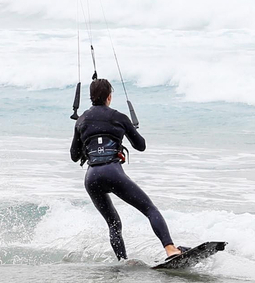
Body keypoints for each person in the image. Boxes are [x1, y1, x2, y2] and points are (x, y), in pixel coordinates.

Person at [69, 78, 178, 261]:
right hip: (113, 173)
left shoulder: (81, 121)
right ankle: (170, 249)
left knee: (113, 223)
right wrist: (128, 129)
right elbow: (140, 145)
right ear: (109, 97)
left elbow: (74, 155)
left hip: (92, 177)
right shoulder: (119, 117)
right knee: (150, 209)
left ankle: (122, 262)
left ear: (91, 97)